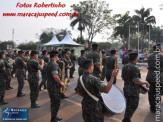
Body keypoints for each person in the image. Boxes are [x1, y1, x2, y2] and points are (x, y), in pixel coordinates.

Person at [121, 52, 150, 122]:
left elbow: (122, 77)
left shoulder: (125, 66)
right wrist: (145, 82)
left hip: (126, 89)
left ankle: (127, 118)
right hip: (133, 91)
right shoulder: (135, 68)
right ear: (135, 59)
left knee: (128, 105)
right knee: (134, 105)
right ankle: (126, 119)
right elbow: (136, 81)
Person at [46, 51, 64, 122]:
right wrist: (60, 83)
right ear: (55, 56)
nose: (58, 58)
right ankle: (53, 119)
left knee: (53, 102)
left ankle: (54, 117)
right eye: (57, 56)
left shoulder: (49, 63)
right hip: (54, 86)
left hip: (50, 85)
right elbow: (55, 75)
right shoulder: (54, 64)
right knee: (56, 102)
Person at [146, 44, 163, 112]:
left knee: (151, 92)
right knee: (158, 92)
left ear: (153, 49)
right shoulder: (161, 56)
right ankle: (157, 107)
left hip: (150, 76)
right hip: (159, 76)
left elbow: (149, 66)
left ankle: (152, 107)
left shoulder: (149, 56)